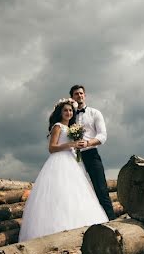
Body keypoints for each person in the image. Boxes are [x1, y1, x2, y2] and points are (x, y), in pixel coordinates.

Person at [18, 98, 109, 242]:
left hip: (72, 161)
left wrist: (76, 146)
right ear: (60, 113)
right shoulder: (57, 126)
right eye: (65, 110)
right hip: (58, 162)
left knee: (76, 194)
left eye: (71, 110)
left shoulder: (72, 128)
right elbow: (52, 148)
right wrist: (70, 144)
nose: (68, 112)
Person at [70, 84, 116, 220]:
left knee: (101, 190)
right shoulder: (69, 116)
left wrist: (88, 143)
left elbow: (103, 136)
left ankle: (112, 221)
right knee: (79, 191)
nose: (79, 96)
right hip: (73, 158)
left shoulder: (94, 113)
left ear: (85, 95)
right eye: (76, 94)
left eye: (81, 93)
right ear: (72, 97)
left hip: (91, 154)